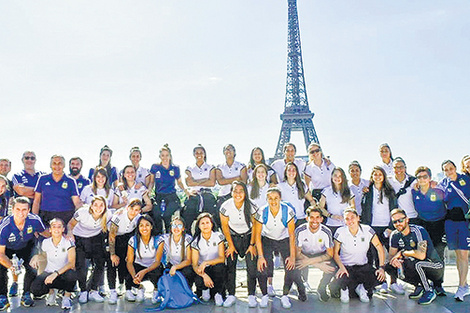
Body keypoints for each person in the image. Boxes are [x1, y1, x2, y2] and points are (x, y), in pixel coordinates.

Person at [254, 187, 306, 309]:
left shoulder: (287, 210)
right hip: (267, 239)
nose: (273, 201)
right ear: (266, 199)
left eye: (276, 198)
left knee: (290, 266)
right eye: (270, 198)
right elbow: (257, 236)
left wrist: (292, 257)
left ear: (280, 198)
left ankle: (285, 295)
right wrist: (260, 256)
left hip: (284, 239)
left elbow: (292, 236)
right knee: (262, 266)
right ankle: (265, 295)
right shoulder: (262, 211)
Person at [387, 209, 444, 304]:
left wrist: (403, 253)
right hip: (416, 264)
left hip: (434, 265)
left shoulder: (418, 231)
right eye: (395, 222)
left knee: (418, 264)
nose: (398, 224)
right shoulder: (395, 235)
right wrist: (396, 261)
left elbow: (421, 255)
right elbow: (391, 257)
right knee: (390, 267)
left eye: (400, 220)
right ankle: (419, 286)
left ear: (407, 219)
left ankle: (429, 290)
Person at [0, 197, 48, 309]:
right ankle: (2, 296)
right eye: (18, 209)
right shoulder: (4, 226)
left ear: (29, 210)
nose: (21, 213)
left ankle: (26, 294)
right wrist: (11, 266)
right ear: (12, 209)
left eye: (24, 210)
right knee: (1, 267)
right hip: (8, 248)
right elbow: (1, 253)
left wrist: (39, 254)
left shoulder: (35, 220)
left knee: (32, 265)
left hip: (27, 246)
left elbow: (46, 234)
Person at [333, 208, 386, 303]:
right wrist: (341, 267)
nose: (350, 221)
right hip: (346, 267)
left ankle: (362, 288)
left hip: (363, 266)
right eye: (347, 219)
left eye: (352, 217)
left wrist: (381, 267)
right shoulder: (340, 232)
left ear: (358, 218)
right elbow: (335, 253)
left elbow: (379, 248)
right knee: (339, 289)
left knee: (379, 277)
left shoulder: (367, 230)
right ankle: (345, 289)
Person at [219, 181, 258, 307]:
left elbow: (256, 227)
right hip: (233, 237)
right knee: (230, 267)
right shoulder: (225, 206)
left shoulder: (251, 206)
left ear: (245, 193)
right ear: (231, 192)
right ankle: (231, 294)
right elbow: (225, 227)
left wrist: (252, 245)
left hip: (249, 237)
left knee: (251, 267)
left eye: (241, 191)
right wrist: (230, 245)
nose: (238, 194)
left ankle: (251, 294)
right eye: (235, 190)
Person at [67, 195, 112, 304]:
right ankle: (83, 290)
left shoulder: (108, 214)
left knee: (100, 263)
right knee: (81, 265)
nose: (98, 207)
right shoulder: (83, 212)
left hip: (95, 238)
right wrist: (70, 234)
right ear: (91, 206)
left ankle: (93, 290)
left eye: (101, 205)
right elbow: (70, 224)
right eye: (95, 204)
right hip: (80, 238)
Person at [439, 160, 470, 301]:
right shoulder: (443, 184)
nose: (449, 171)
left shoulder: (466, 179)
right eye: (446, 169)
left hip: (464, 222)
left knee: (463, 254)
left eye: (451, 168)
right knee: (458, 254)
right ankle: (464, 283)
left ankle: (461, 286)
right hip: (450, 222)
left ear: (456, 168)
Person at [30, 218, 77, 310]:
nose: (56, 229)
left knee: (72, 274)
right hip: (50, 272)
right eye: (54, 227)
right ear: (50, 230)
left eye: (59, 227)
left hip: (63, 273)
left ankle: (67, 297)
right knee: (35, 289)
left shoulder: (68, 242)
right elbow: (43, 256)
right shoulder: (45, 242)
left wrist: (56, 273)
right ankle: (52, 292)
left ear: (63, 229)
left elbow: (72, 263)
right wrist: (37, 257)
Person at [412, 166, 447, 283]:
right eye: (419, 177)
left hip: (439, 225)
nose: (422, 179)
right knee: (424, 254)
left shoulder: (438, 190)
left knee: (438, 254)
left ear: (430, 178)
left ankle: (438, 284)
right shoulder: (414, 191)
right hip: (423, 225)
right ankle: (425, 282)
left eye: (425, 176)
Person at [295, 206, 335, 302]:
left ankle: (322, 287)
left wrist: (312, 262)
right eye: (312, 217)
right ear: (307, 218)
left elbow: (329, 254)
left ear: (321, 219)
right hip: (303, 254)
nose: (314, 220)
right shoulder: (300, 230)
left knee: (333, 267)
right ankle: (301, 289)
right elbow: (297, 253)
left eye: (317, 217)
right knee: (292, 265)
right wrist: (317, 265)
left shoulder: (326, 231)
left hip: (320, 254)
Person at [148, 144, 190, 233]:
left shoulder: (175, 168)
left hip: (171, 196)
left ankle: (169, 235)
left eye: (167, 155)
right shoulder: (155, 167)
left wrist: (186, 191)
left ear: (170, 156)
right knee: (156, 214)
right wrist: (148, 191)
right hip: (159, 196)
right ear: (160, 156)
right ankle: (159, 236)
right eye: (162, 155)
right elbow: (151, 182)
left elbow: (179, 182)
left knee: (167, 215)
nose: (165, 158)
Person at [107, 198, 142, 304]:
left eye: (137, 210)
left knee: (127, 262)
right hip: (113, 237)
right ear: (127, 208)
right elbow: (112, 236)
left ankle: (128, 289)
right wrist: (112, 254)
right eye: (132, 209)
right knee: (112, 263)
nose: (134, 212)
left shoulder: (139, 218)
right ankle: (112, 291)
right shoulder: (118, 217)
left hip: (126, 237)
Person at [33, 154, 82, 226]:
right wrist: (35, 220)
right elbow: (36, 201)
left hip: (66, 217)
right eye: (54, 163)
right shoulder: (42, 179)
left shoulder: (71, 181)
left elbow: (77, 203)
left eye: (60, 163)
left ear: (64, 165)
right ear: (50, 165)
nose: (57, 166)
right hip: (45, 217)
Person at [126, 214, 163, 303]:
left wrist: (144, 271)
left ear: (151, 227)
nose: (144, 228)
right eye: (141, 225)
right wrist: (135, 277)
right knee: (128, 274)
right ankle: (139, 287)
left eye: (147, 225)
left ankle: (156, 290)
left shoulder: (158, 240)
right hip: (139, 266)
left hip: (153, 267)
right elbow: (129, 262)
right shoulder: (133, 240)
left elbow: (158, 261)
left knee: (158, 274)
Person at [191, 213, 226, 306]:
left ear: (212, 224)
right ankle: (205, 290)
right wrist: (204, 276)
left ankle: (217, 294)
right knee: (199, 281)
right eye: (202, 223)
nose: (205, 225)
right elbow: (194, 265)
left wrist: (206, 262)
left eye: (207, 222)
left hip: (215, 266)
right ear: (198, 226)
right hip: (202, 270)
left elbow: (222, 258)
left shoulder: (218, 236)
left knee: (220, 267)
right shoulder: (195, 242)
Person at [361, 166, 396, 250]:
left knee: (391, 251)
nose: (378, 176)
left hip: (387, 226)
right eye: (375, 174)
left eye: (380, 174)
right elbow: (365, 210)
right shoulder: (368, 191)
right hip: (373, 226)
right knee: (374, 253)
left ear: (384, 176)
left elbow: (394, 209)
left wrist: (391, 227)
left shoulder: (389, 191)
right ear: (372, 176)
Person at [184, 145, 217, 233]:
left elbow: (212, 183)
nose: (199, 155)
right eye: (197, 153)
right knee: (187, 219)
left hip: (207, 195)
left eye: (201, 153)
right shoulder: (189, 168)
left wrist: (196, 181)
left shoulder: (211, 167)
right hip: (194, 195)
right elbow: (189, 183)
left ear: (204, 154)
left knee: (211, 220)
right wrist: (205, 180)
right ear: (194, 154)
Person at [156, 213, 194, 287]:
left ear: (183, 228)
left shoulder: (187, 239)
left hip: (184, 265)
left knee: (188, 272)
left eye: (179, 226)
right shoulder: (165, 238)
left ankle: (187, 291)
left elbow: (189, 260)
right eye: (174, 225)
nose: (176, 228)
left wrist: (176, 267)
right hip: (171, 263)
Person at [215, 144, 247, 227]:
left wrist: (226, 180)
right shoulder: (219, 167)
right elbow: (220, 182)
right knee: (221, 220)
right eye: (226, 149)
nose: (228, 151)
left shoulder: (241, 165)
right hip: (223, 195)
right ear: (224, 152)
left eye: (230, 149)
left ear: (234, 152)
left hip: (237, 195)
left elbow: (243, 181)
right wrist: (236, 178)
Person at [319, 167, 355, 234]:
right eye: (335, 175)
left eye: (340, 176)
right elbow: (321, 207)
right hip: (331, 225)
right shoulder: (326, 191)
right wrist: (331, 216)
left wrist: (346, 215)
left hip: (345, 225)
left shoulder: (348, 191)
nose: (337, 178)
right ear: (332, 176)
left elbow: (353, 206)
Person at [389, 157, 419, 223]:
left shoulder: (413, 181)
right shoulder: (388, 181)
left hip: (413, 217)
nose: (399, 169)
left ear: (405, 168)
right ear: (392, 169)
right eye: (396, 167)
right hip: (398, 219)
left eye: (401, 167)